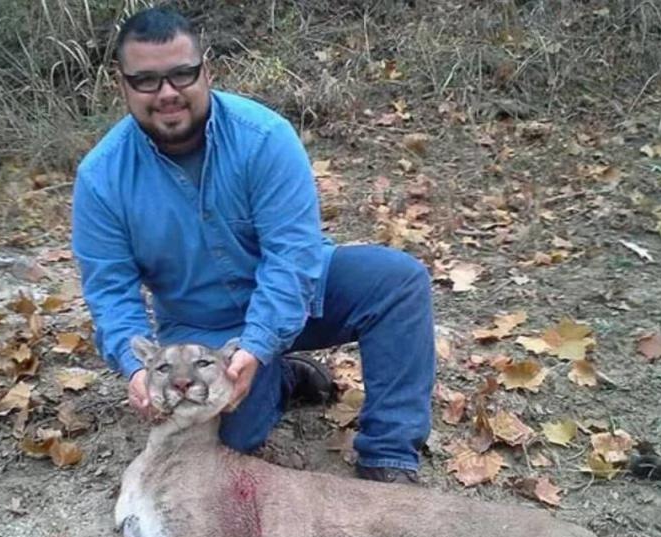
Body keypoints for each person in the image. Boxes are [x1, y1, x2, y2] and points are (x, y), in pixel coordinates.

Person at [71, 7, 435, 483]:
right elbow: (110, 292)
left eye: (182, 74)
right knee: (232, 440)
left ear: (207, 71)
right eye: (146, 81)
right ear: (122, 84)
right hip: (202, 330)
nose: (167, 94)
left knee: (398, 281)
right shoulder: (101, 179)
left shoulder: (265, 138)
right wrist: (134, 366)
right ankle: (284, 380)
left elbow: (292, 257)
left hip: (300, 298)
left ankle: (389, 458)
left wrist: (259, 345)